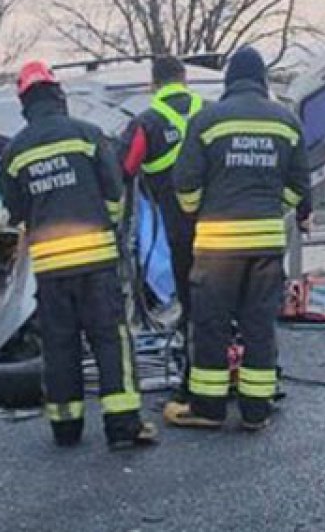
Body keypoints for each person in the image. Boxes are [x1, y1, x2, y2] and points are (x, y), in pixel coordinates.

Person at [0, 60, 157, 450]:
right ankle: (123, 425)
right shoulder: (87, 135)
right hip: (97, 260)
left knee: (59, 345)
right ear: (57, 94)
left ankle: (65, 427)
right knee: (110, 340)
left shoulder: (15, 152)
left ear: (25, 103)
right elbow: (114, 192)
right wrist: (109, 231)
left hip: (51, 268)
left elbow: (15, 210)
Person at [169, 46, 311, 432]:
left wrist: (199, 209)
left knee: (211, 325)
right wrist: (273, 207)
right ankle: (256, 410)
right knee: (259, 326)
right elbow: (300, 184)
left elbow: (184, 182)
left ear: (229, 80)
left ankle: (209, 409)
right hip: (265, 243)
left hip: (217, 245)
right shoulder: (286, 121)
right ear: (263, 81)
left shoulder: (207, 119)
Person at [116, 56, 204, 419]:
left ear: (154, 84)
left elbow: (124, 168)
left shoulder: (146, 122)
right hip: (220, 226)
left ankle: (196, 379)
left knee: (192, 305)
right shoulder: (210, 111)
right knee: (224, 303)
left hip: (180, 229)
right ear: (184, 79)